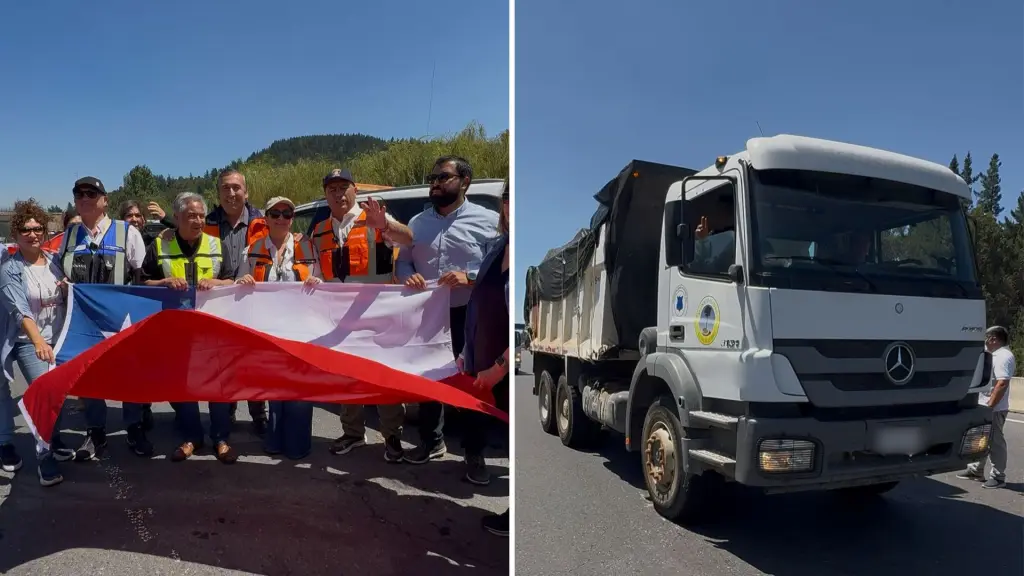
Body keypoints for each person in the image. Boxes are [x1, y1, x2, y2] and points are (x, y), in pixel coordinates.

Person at [395, 156, 500, 479]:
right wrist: (408, 275)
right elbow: (403, 262)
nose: (435, 184)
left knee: (471, 383)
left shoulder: (489, 221)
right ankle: (431, 441)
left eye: (443, 177)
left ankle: (474, 453)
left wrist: (470, 276)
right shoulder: (416, 224)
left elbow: (499, 269)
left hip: (470, 314)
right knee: (430, 377)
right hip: (429, 313)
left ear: (465, 181)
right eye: (433, 178)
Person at [309, 168, 415, 462]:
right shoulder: (319, 230)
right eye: (332, 189)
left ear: (355, 190)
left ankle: (392, 436)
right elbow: (317, 270)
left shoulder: (375, 219)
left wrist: (386, 226)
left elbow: (408, 239)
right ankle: (353, 433)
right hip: (340, 319)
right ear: (325, 195)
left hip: (378, 317)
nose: (338, 194)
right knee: (346, 377)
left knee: (384, 378)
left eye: (343, 187)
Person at [56, 177, 151, 460]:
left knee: (130, 374)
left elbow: (142, 275)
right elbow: (59, 272)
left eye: (92, 193)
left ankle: (134, 427)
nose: (85, 198)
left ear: (105, 200)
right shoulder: (69, 236)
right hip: (84, 321)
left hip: (122, 317)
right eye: (79, 194)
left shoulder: (127, 232)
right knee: (90, 376)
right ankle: (95, 431)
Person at [142, 192, 238, 463]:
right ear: (177, 217)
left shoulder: (217, 245)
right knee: (183, 385)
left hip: (212, 329)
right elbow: (143, 282)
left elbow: (231, 280)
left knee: (217, 385)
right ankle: (192, 438)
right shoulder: (160, 245)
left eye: (201, 215)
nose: (198, 221)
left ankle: (221, 438)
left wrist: (216, 283)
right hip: (176, 330)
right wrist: (164, 282)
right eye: (191, 216)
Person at [236, 196, 322, 459]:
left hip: (301, 331)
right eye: (275, 214)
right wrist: (243, 280)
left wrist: (317, 282)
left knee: (299, 390)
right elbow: (238, 283)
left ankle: (297, 444)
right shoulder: (252, 249)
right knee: (275, 387)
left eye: (287, 214)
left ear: (292, 219)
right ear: (267, 218)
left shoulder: (308, 247)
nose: (281, 219)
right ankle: (274, 439)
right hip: (268, 330)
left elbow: (322, 281)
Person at [0, 200, 76, 486]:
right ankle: (44, 458)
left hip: (59, 339)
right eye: (25, 229)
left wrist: (68, 289)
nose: (32, 234)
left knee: (58, 395)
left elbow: (71, 294)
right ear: (15, 233)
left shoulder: (55, 261)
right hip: (27, 340)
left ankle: (53, 439)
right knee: (44, 394)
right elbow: (19, 312)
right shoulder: (10, 269)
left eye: (37, 228)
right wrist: (38, 342)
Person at [202, 169, 272, 435]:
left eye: (236, 187)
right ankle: (227, 411)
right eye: (225, 188)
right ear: (218, 193)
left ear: (246, 192)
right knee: (224, 361)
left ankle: (259, 414)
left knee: (254, 360)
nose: (231, 193)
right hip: (218, 301)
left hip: (253, 300)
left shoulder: (264, 221)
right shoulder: (206, 222)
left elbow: (283, 240)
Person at [460, 178, 510, 533]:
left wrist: (500, 367)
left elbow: (530, 327)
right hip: (481, 363)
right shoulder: (497, 247)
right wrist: (466, 351)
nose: (513, 204)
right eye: (508, 197)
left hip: (501, 369)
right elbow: (476, 304)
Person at [957, 325, 1014, 489]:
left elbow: (1002, 383)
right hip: (985, 405)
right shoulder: (993, 355)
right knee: (981, 439)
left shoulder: (1003, 356)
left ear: (993, 339)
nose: (985, 341)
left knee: (995, 442)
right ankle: (976, 470)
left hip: (994, 408)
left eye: (986, 338)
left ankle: (998, 476)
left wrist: (990, 406)